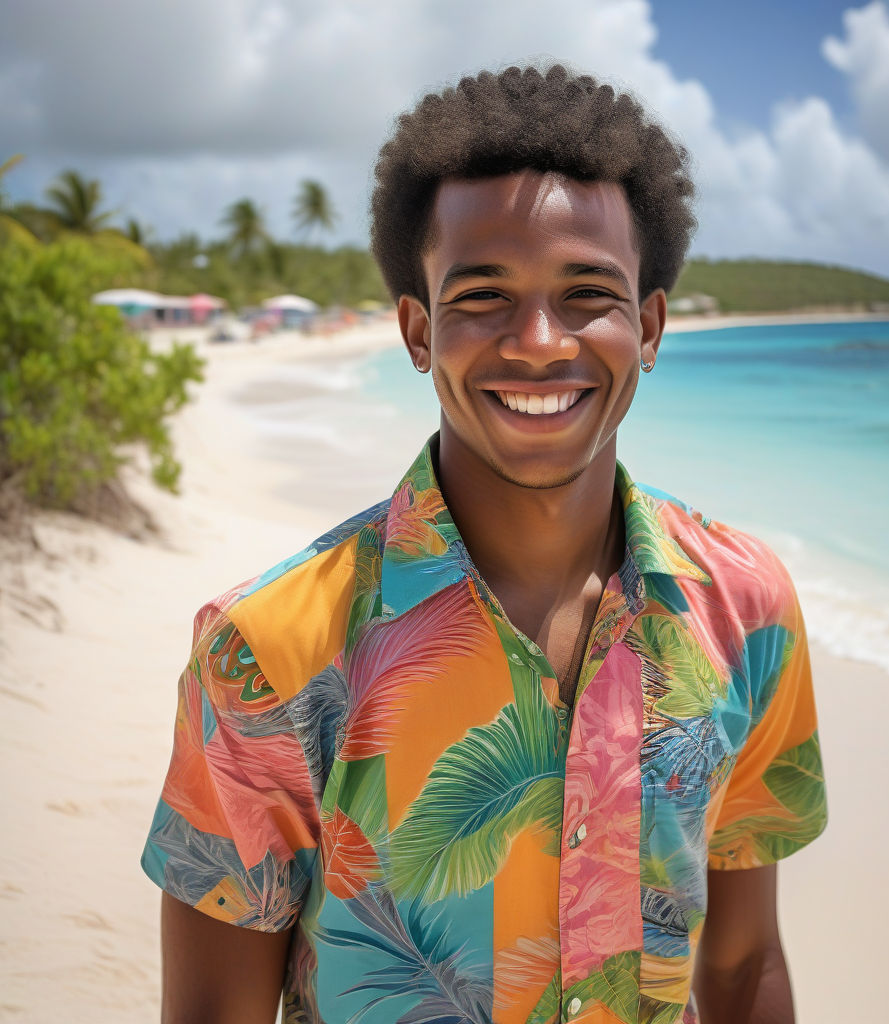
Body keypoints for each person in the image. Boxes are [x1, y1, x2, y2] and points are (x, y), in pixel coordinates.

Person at [143, 64, 827, 1024]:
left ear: (651, 325)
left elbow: (747, 964)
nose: (540, 341)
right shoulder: (270, 654)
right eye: (483, 296)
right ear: (419, 331)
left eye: (588, 291)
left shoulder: (746, 609)